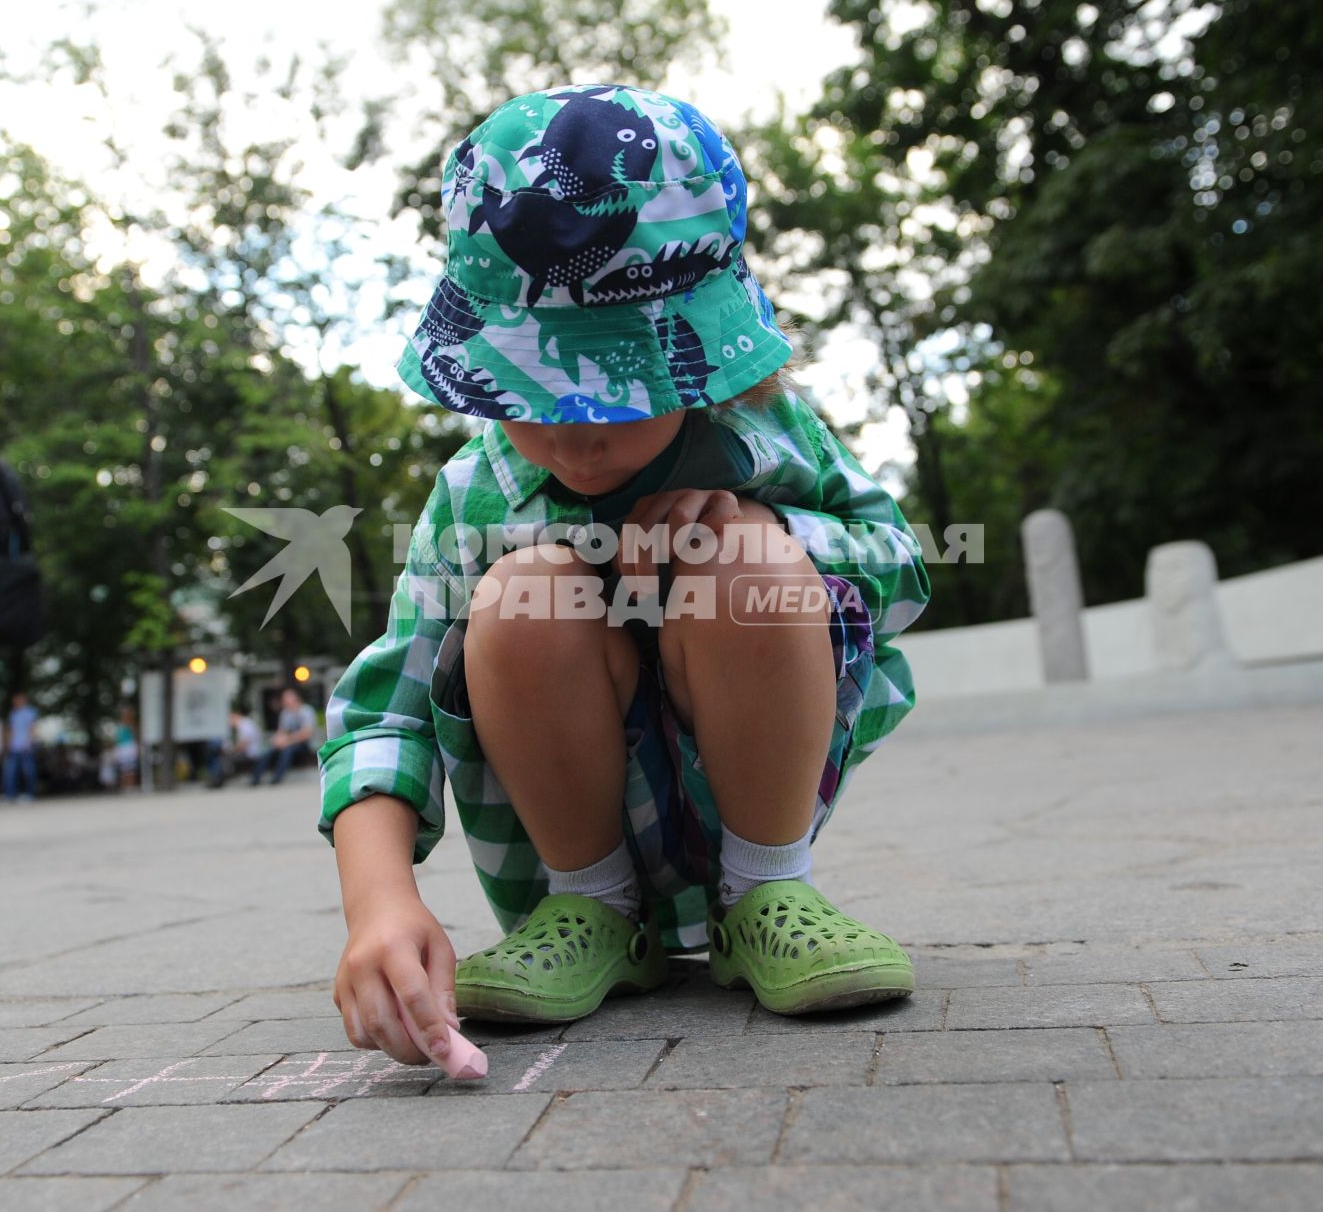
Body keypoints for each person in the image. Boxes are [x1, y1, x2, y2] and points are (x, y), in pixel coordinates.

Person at [320, 86, 930, 1067]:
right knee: (522, 595)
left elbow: (901, 566)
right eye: (527, 391)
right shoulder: (479, 492)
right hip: (569, 847)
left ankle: (767, 891)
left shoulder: (768, 440)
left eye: (615, 395)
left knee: (744, 557)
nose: (569, 433)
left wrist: (766, 521)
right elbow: (383, 701)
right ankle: (595, 911)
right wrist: (379, 900)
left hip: (746, 805)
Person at [252, 688, 318, 785]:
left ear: (295, 698)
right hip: (288, 743)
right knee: (270, 750)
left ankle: (277, 777)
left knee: (287, 750)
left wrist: (287, 741)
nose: (284, 701)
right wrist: (277, 740)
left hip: (303, 744)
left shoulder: (306, 711)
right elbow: (281, 731)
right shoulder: (285, 713)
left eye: (287, 699)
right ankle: (256, 777)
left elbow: (306, 734)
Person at [2, 692, 38, 803]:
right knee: (10, 772)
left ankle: (30, 794)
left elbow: (32, 728)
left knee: (28, 771)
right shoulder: (13, 713)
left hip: (25, 747)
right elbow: (11, 730)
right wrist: (8, 744)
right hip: (14, 747)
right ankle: (10, 795)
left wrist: (28, 742)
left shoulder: (30, 712)